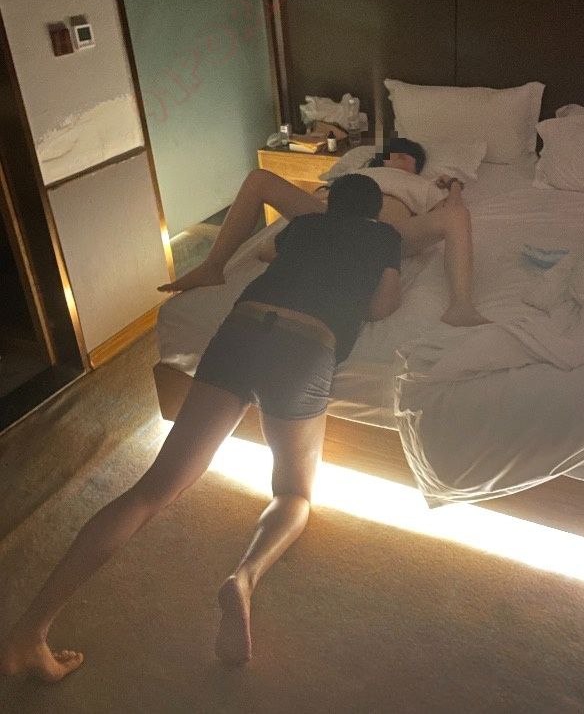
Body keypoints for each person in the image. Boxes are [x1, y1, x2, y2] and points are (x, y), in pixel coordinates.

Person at [0, 175, 402, 681]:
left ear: (328, 201)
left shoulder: (303, 225)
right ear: (376, 211)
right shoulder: (385, 237)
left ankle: (29, 633)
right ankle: (244, 577)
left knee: (151, 490)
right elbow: (383, 306)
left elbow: (266, 255)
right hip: (304, 349)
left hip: (242, 329)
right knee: (293, 493)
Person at [160, 137, 487, 327]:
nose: (402, 159)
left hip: (385, 232)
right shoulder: (357, 172)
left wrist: (454, 186)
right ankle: (213, 266)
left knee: (459, 216)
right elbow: (321, 195)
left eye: (410, 158)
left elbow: (446, 213)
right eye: (396, 153)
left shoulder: (421, 185)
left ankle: (461, 305)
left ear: (418, 168)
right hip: (330, 215)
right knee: (259, 178)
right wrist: (318, 200)